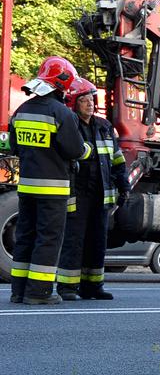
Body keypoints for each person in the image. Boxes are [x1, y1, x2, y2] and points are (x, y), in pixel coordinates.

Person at [9, 57, 92, 304]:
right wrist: (87, 150)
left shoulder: (21, 110)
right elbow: (75, 150)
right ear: (63, 83)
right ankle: (39, 293)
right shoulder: (62, 113)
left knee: (25, 236)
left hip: (26, 186)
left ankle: (19, 291)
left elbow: (15, 146)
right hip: (53, 189)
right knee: (48, 238)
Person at [56, 78, 130, 300]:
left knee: (98, 241)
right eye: (84, 100)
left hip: (101, 193)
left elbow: (117, 159)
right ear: (74, 104)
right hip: (77, 193)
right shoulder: (70, 125)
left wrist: (123, 185)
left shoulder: (104, 127)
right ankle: (68, 287)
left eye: (91, 99)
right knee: (74, 240)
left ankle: (93, 286)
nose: (89, 104)